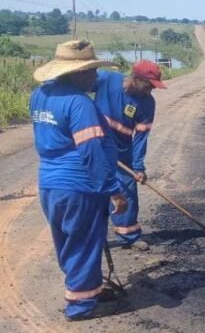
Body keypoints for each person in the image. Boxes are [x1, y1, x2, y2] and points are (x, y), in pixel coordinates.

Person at [31, 40, 128, 321]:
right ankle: (81, 306)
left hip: (50, 185)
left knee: (69, 241)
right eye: (91, 71)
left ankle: (88, 289)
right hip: (79, 186)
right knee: (84, 244)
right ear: (76, 73)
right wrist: (113, 190)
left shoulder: (39, 95)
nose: (96, 77)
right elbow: (93, 152)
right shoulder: (80, 103)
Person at [93, 60, 165, 251]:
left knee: (127, 191)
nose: (151, 90)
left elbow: (141, 137)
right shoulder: (106, 79)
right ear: (136, 79)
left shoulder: (147, 103)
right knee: (94, 193)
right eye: (149, 85)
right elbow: (78, 87)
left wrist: (138, 166)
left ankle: (129, 236)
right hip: (94, 148)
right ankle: (92, 239)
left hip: (121, 154)